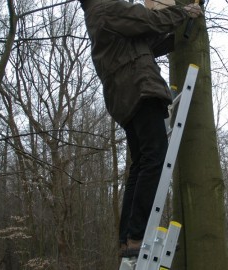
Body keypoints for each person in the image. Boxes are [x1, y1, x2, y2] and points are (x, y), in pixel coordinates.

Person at [78, 0, 202, 257]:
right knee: (155, 157)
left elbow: (142, 43)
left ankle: (128, 239)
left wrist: (173, 32)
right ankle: (138, 234)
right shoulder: (108, 9)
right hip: (139, 88)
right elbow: (148, 20)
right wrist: (182, 12)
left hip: (125, 96)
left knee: (141, 164)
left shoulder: (99, 17)